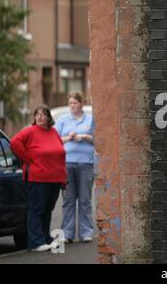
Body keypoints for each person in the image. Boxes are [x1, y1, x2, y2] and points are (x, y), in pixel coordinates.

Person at [11, 105, 66, 252]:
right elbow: (14, 142)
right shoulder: (30, 131)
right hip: (38, 178)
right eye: (37, 114)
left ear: (49, 117)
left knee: (47, 210)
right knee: (37, 210)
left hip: (54, 178)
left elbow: (61, 154)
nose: (40, 117)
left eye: (43, 114)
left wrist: (63, 177)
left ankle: (45, 239)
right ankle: (35, 242)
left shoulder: (54, 132)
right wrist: (27, 159)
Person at [55, 92, 95, 243]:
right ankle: (67, 234)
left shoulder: (90, 119)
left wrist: (84, 137)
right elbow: (54, 140)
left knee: (85, 199)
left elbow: (98, 139)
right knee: (69, 200)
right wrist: (68, 138)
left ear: (81, 103)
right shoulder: (63, 120)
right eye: (70, 103)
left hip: (86, 164)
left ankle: (86, 233)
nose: (72, 106)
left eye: (75, 103)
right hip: (67, 164)